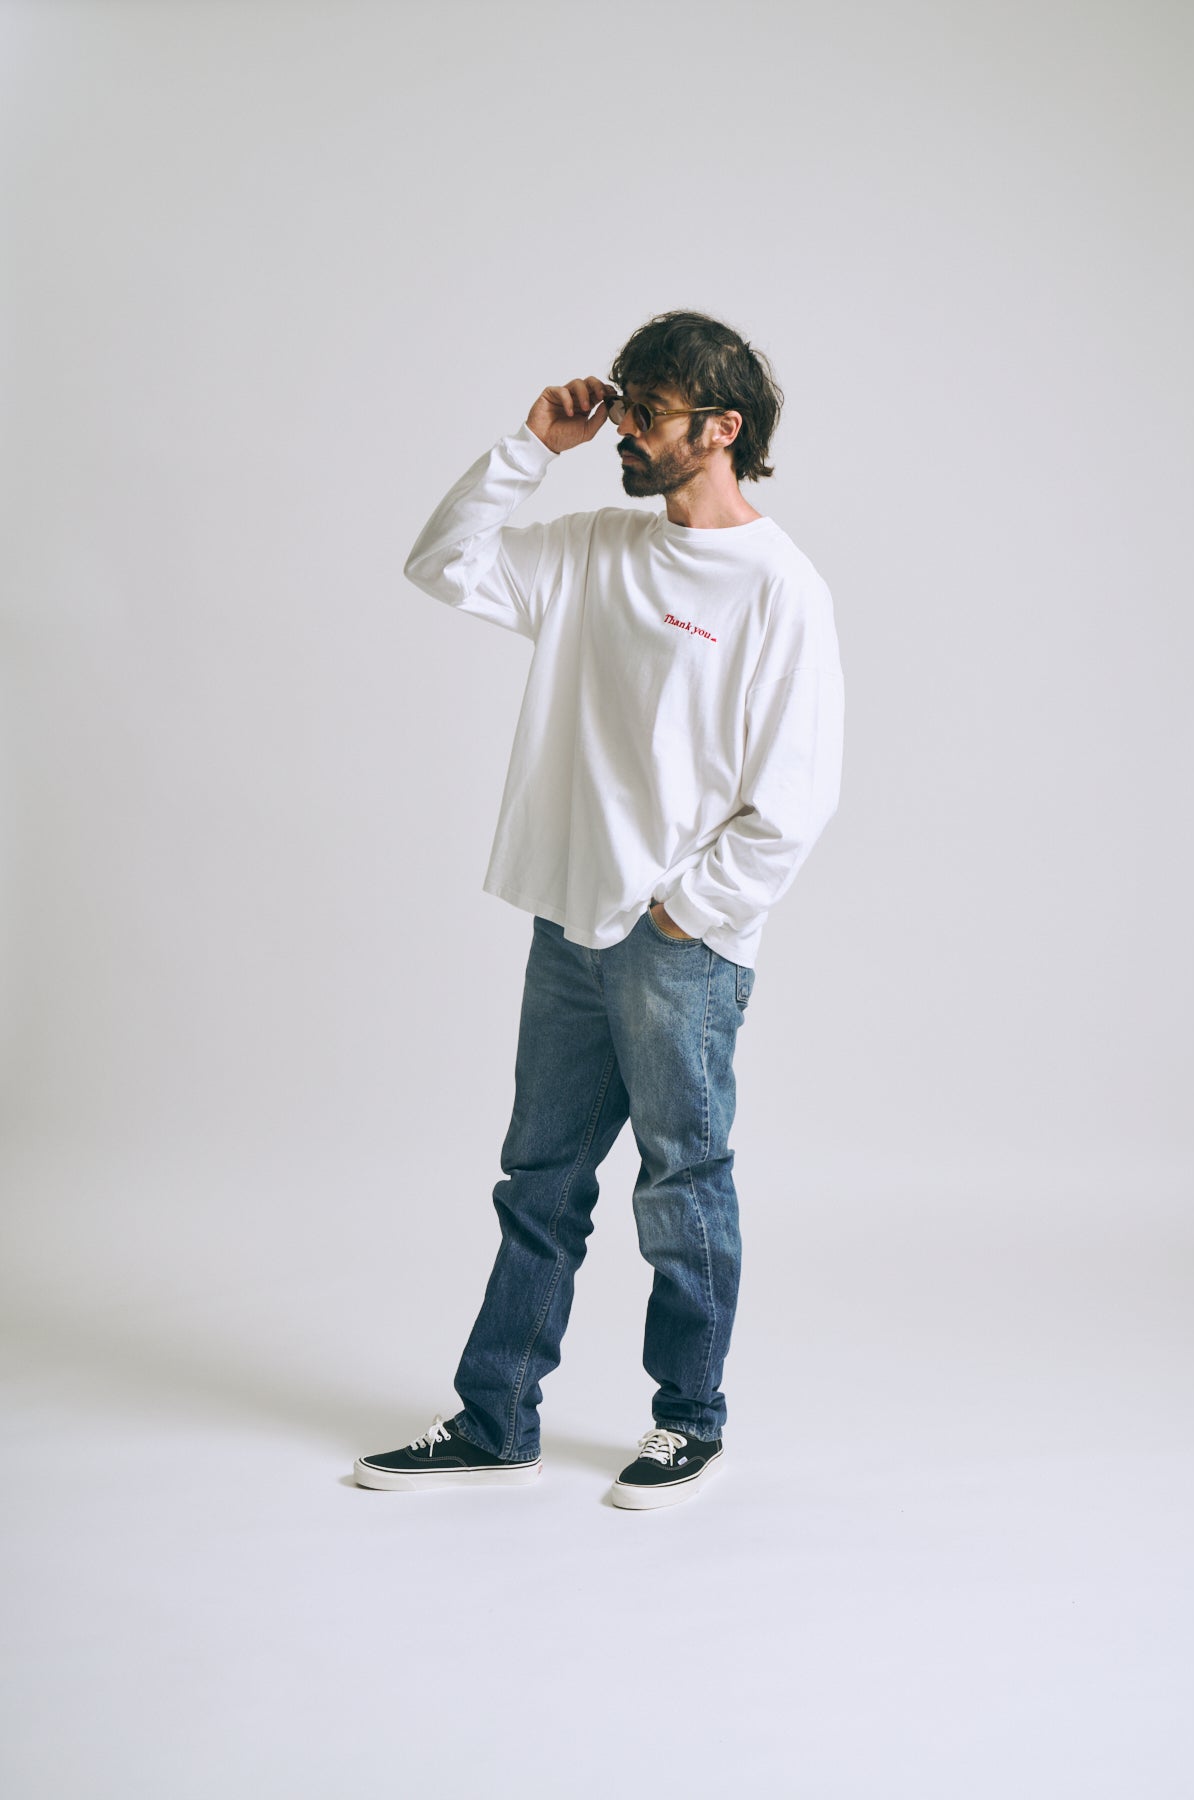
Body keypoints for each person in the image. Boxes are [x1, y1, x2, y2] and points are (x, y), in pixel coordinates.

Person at [353, 310, 845, 1510]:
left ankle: (688, 1423)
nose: (624, 429)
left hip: (679, 950)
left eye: (649, 412)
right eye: (622, 403)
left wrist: (684, 915)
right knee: (539, 1183)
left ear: (720, 429)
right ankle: (495, 1421)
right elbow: (441, 564)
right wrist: (530, 446)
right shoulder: (592, 549)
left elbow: (794, 800)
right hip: (569, 930)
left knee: (681, 1188)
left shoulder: (780, 588)